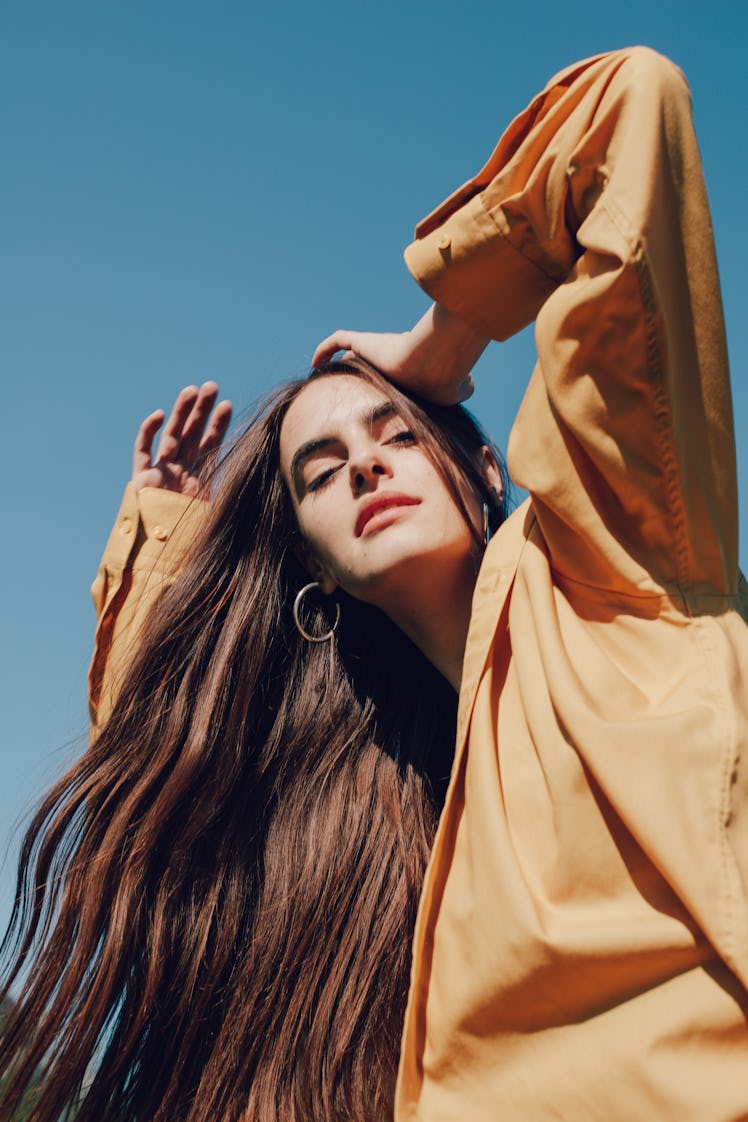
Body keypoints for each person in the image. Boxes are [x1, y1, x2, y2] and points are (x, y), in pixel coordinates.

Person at [1, 43, 746, 1122]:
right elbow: (176, 783)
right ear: (316, 570)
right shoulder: (389, 814)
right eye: (318, 468)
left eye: (393, 429)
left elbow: (627, 107)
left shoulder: (619, 573)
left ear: (481, 468)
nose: (360, 463)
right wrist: (165, 544)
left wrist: (443, 342)